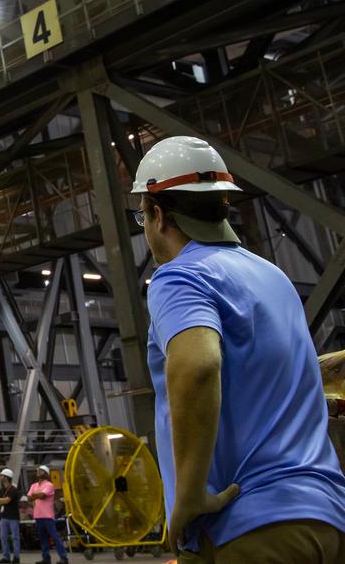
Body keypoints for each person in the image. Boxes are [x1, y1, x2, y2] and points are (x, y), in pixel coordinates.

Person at [135, 135, 345, 561]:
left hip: (247, 526)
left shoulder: (180, 277)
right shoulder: (274, 278)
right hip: (327, 520)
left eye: (142, 216)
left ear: (158, 214)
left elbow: (197, 365)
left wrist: (190, 495)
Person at [26, 466, 66, 563]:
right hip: (38, 516)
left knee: (55, 537)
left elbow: (42, 495)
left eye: (41, 471)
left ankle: (64, 558)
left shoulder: (49, 485)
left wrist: (34, 496)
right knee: (43, 538)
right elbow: (28, 498)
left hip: (47, 516)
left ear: (46, 473)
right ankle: (46, 558)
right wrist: (35, 496)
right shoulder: (34, 485)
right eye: (38, 470)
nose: (38, 472)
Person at [0, 468, 21, 563]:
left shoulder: (13, 489)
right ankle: (6, 557)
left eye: (2, 475)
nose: (1, 477)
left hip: (13, 517)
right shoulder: (1, 490)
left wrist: (2, 500)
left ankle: (16, 557)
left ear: (6, 477)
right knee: (3, 537)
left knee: (15, 537)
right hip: (4, 517)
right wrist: (3, 500)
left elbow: (6, 500)